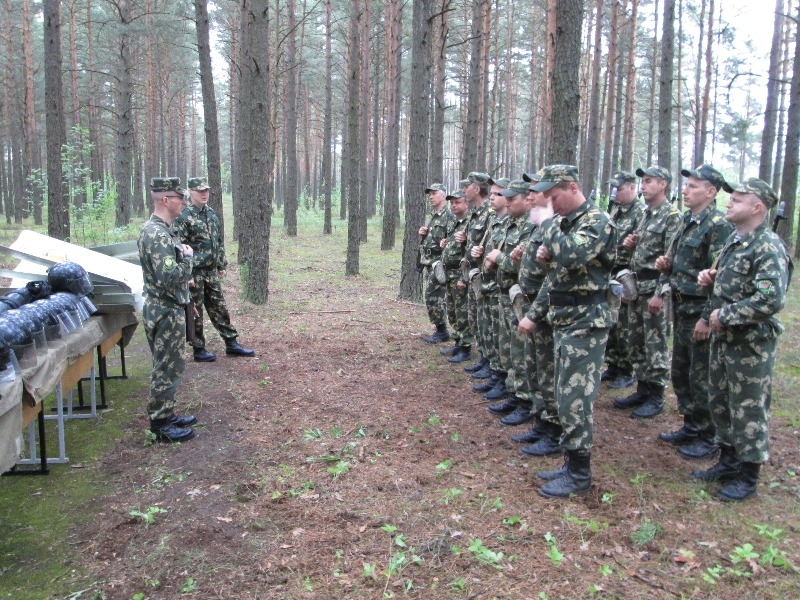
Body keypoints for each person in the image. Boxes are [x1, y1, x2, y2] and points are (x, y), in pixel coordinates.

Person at [694, 178, 790, 502]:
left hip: (750, 344)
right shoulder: (735, 241)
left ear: (757, 207)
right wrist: (711, 279)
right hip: (725, 339)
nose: (730, 203)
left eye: (738, 199)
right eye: (731, 198)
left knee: (748, 407)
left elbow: (770, 299)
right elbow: (733, 284)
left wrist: (726, 315)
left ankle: (748, 475)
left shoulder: (767, 246)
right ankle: (728, 460)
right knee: (721, 401)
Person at [528, 165, 616, 498]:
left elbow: (574, 254)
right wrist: (547, 254)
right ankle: (571, 462)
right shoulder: (568, 224)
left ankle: (580, 474)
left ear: (573, 187)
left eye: (554, 197)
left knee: (575, 399)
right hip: (565, 319)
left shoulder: (597, 221)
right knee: (564, 395)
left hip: (586, 321)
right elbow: (561, 269)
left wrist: (547, 225)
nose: (550, 204)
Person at [655, 165, 732, 460]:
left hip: (699, 310)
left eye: (694, 186)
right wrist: (666, 266)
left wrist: (706, 317)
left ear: (711, 192)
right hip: (681, 307)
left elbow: (719, 277)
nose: (685, 190)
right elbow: (678, 262)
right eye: (686, 185)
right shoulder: (686, 220)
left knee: (701, 376)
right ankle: (690, 424)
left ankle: (707, 434)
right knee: (682, 371)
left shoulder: (718, 225)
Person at [614, 166, 681, 418]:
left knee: (655, 344)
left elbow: (670, 259)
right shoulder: (646, 215)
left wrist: (659, 294)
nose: (643, 185)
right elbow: (644, 251)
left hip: (654, 288)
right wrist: (631, 246)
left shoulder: (671, 216)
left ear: (663, 184)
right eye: (642, 181)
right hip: (636, 287)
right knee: (636, 341)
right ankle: (642, 388)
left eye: (649, 181)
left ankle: (656, 395)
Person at [138, 177, 196, 443]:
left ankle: (167, 413)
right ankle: (160, 424)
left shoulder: (164, 230)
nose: (184, 202)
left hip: (170, 306)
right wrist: (188, 259)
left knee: (172, 364)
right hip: (164, 309)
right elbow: (168, 276)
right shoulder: (157, 234)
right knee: (166, 366)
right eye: (179, 198)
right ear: (165, 200)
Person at [174, 177, 255, 362]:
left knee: (219, 307)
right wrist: (186, 275)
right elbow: (179, 248)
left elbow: (217, 241)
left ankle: (231, 343)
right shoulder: (184, 216)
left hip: (210, 271)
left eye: (206, 191)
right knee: (196, 311)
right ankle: (198, 348)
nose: (204, 194)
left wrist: (221, 264)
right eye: (200, 191)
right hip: (194, 273)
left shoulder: (211, 214)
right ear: (191, 192)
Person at [484, 180, 536, 426]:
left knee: (521, 352)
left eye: (512, 198)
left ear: (527, 199)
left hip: (522, 298)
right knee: (511, 350)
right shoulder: (511, 223)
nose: (507, 202)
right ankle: (514, 392)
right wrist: (494, 259)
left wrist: (499, 258)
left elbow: (522, 266)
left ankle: (524, 401)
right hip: (505, 293)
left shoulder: (531, 227)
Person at [601, 171, 644, 389]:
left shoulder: (640, 213)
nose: (615, 192)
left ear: (632, 188)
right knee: (612, 322)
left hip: (626, 274)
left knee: (625, 325)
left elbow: (642, 246)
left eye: (619, 188)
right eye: (614, 188)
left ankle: (626, 370)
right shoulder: (616, 211)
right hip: (611, 272)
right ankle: (613, 364)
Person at [461, 172, 493, 374]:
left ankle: (490, 362)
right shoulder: (475, 213)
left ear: (477, 188)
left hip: (485, 275)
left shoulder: (490, 213)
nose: (464, 190)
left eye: (467, 186)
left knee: (485, 320)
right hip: (473, 274)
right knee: (476, 319)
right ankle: (483, 356)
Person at [439, 190, 473, 363]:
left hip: (460, 274)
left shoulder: (470, 223)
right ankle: (458, 342)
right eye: (452, 203)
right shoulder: (454, 223)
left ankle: (466, 347)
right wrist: (445, 243)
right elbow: (452, 245)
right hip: (449, 274)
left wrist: (463, 277)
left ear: (467, 203)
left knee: (462, 312)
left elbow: (471, 252)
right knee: (452, 311)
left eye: (458, 202)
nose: (454, 205)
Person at [419, 183, 453, 343]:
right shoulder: (434, 216)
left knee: (432, 295)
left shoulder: (449, 215)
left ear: (444, 195)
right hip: (430, 262)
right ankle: (441, 329)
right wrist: (424, 234)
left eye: (434, 193)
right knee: (433, 297)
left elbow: (452, 238)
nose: (431, 197)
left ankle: (442, 331)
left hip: (440, 263)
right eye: (429, 194)